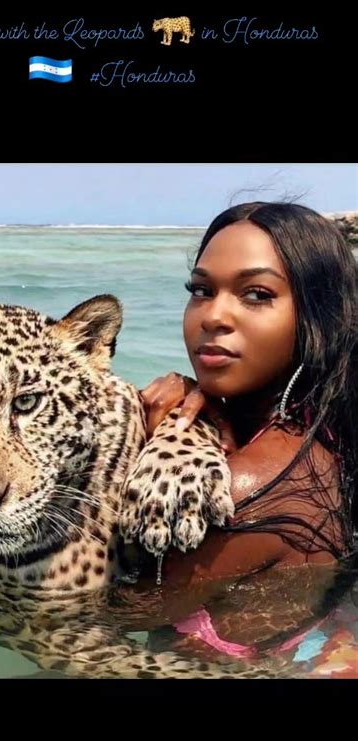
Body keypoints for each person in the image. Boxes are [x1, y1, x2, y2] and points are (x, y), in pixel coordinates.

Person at [136, 201, 357, 595]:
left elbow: (97, 618)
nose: (213, 316)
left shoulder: (245, 490)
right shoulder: (323, 440)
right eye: (202, 290)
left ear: (317, 318)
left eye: (256, 294)